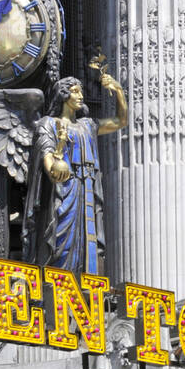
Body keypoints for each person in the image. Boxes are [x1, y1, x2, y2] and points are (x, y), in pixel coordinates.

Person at [23, 69, 127, 274]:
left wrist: (119, 91)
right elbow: (48, 159)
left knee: (89, 239)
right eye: (75, 91)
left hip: (87, 190)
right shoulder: (48, 124)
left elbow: (120, 121)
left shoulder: (88, 125)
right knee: (61, 241)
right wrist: (57, 156)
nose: (80, 96)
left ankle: (85, 286)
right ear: (63, 94)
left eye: (81, 92)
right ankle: (59, 286)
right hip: (62, 194)